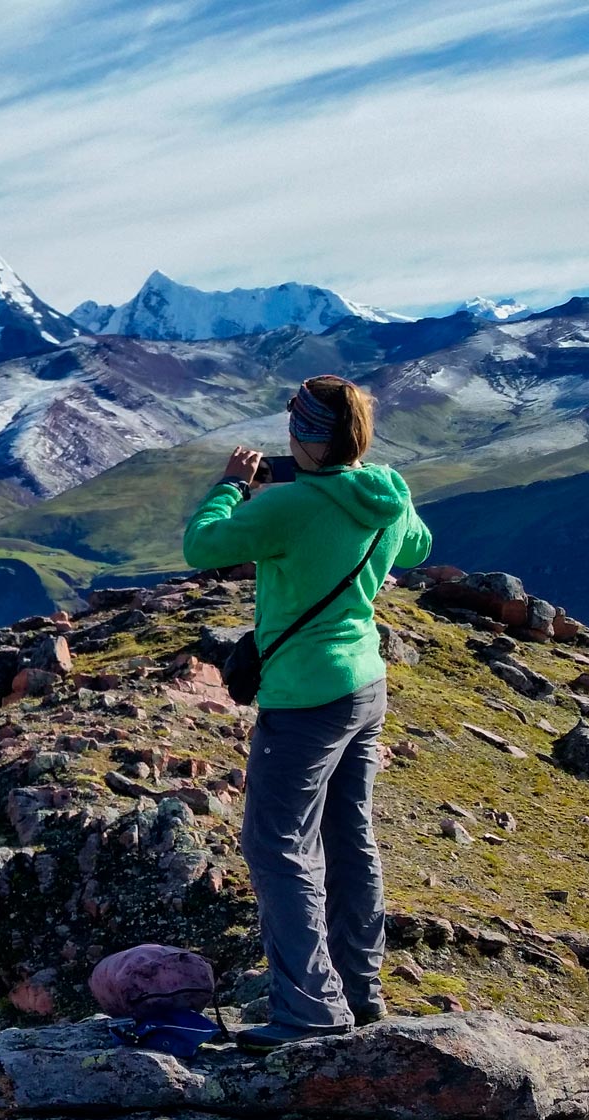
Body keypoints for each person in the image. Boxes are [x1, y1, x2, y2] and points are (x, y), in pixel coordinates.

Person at [182, 375, 432, 1052]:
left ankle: (310, 1009)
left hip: (305, 696)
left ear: (303, 435)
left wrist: (233, 484)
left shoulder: (289, 506)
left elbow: (203, 548)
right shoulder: (386, 495)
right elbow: (417, 548)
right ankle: (359, 988)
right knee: (349, 837)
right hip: (365, 684)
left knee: (277, 844)